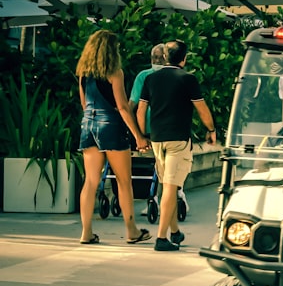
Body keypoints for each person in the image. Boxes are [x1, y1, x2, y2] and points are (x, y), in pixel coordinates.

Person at [137, 40, 216, 252]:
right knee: (171, 187)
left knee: (167, 186)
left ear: (164, 57)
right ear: (184, 58)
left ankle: (174, 231)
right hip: (178, 140)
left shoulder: (151, 78)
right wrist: (211, 129)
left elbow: (141, 108)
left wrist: (141, 135)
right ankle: (161, 238)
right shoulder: (188, 79)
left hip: (157, 139)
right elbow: (201, 107)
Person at [76, 30, 152, 246]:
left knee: (90, 181)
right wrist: (138, 135)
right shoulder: (115, 72)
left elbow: (84, 104)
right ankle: (131, 231)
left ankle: (86, 232)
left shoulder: (83, 73)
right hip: (110, 126)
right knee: (123, 180)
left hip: (88, 125)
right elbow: (121, 107)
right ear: (111, 50)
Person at [129, 43, 167, 133]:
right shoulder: (143, 76)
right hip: (148, 128)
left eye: (161, 58)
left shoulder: (174, 76)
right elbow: (133, 104)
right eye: (155, 57)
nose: (157, 61)